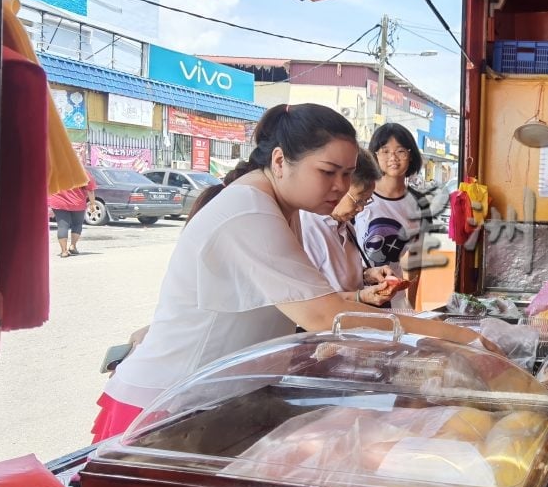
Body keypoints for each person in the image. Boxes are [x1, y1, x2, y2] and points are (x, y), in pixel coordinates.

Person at [92, 104, 488, 442]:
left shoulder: (281, 206)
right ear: (280, 161)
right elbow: (325, 316)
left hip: (218, 399)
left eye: (347, 174)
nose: (340, 186)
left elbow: (305, 306)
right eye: (328, 171)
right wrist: (457, 337)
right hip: (166, 406)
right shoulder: (249, 210)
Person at [300, 149, 397, 306]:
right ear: (338, 187)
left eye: (366, 201)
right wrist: (359, 297)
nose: (361, 208)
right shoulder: (308, 227)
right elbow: (308, 299)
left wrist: (367, 274)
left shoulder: (346, 226)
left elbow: (341, 278)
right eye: (358, 200)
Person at [356, 123, 431, 310]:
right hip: (355, 294)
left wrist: (411, 304)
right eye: (385, 151)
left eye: (400, 151)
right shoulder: (358, 194)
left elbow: (415, 260)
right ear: (374, 155)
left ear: (411, 155)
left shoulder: (420, 203)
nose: (393, 158)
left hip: (394, 298)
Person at [47, 172, 96, 257]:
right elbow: (90, 190)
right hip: (77, 203)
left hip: (59, 202)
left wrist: (48, 202)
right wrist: (92, 204)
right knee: (77, 224)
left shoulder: (56, 170)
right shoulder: (83, 172)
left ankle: (64, 251)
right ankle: (73, 246)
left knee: (62, 226)